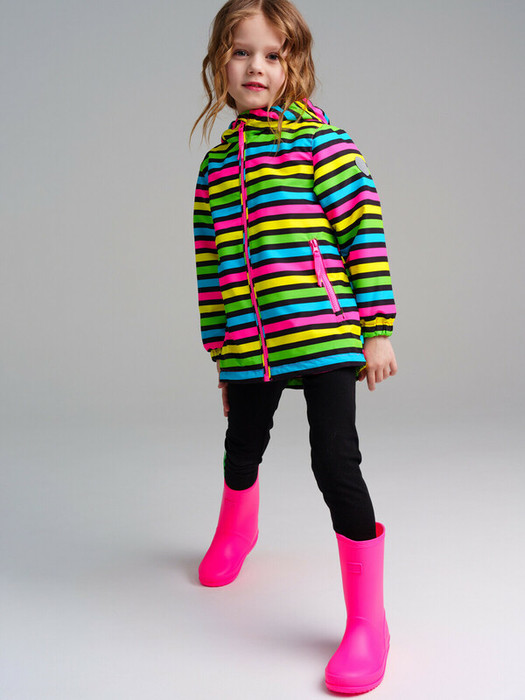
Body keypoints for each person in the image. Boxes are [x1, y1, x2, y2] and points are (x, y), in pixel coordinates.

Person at [191, 0, 397, 694]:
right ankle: (236, 532)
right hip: (252, 345)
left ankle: (368, 621)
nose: (257, 67)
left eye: (272, 55)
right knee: (242, 443)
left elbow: (362, 232)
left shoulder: (324, 144)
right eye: (241, 52)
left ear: (292, 65)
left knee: (334, 461)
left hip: (327, 332)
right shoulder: (216, 168)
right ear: (220, 62)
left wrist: (377, 329)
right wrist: (224, 357)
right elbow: (212, 270)